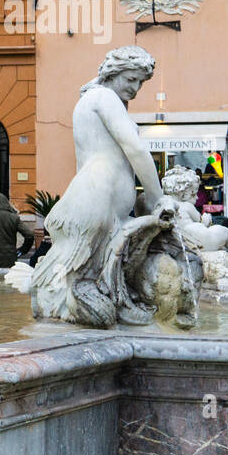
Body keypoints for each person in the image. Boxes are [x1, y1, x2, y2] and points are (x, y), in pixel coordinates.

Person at [30, 45, 176, 325]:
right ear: (112, 73)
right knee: (78, 266)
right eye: (131, 79)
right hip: (97, 198)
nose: (136, 88)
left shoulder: (94, 100)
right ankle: (68, 305)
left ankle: (82, 303)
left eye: (141, 83)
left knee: (89, 266)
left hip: (100, 199)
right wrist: (159, 198)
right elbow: (134, 149)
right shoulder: (103, 97)